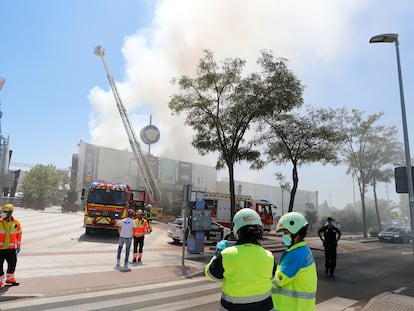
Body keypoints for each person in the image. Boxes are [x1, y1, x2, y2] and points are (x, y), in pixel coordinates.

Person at [205, 208, 275, 311]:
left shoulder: (227, 255)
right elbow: (272, 276)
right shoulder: (269, 256)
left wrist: (217, 253)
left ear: (237, 230)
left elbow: (211, 274)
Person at [272, 212, 317, 310]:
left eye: (286, 233)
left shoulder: (295, 255)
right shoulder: (303, 250)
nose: (283, 236)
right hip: (303, 307)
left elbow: (277, 282)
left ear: (296, 234)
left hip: (292, 307)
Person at [0, 204, 22, 286]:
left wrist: (18, 246)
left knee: (12, 263)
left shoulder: (16, 223)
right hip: (0, 249)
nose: (4, 213)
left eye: (6, 212)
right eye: (3, 212)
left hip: (11, 248)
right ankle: (0, 280)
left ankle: (10, 279)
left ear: (10, 213)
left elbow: (19, 235)